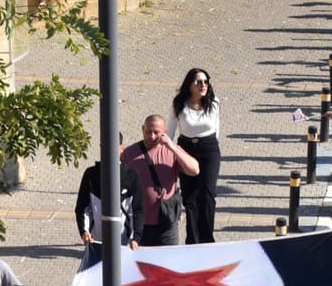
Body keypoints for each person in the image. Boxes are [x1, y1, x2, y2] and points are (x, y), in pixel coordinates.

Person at [122, 115, 201, 246]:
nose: (152, 136)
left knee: (169, 262)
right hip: (138, 224)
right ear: (143, 129)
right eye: (148, 131)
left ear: (165, 132)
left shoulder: (171, 151)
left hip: (167, 222)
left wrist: (173, 148)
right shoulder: (130, 153)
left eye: (156, 132)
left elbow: (195, 170)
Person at [169, 68, 223, 244]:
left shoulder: (214, 102)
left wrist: (214, 147)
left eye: (206, 81)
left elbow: (216, 127)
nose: (203, 85)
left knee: (207, 195)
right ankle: (192, 239)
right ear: (189, 85)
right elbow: (170, 130)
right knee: (190, 197)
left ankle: (207, 239)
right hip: (186, 149)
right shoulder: (179, 104)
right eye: (198, 82)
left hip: (209, 149)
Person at [73, 143, 139, 247]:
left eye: (114, 146)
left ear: (122, 148)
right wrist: (84, 231)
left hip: (125, 243)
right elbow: (82, 207)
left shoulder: (131, 175)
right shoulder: (91, 174)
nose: (110, 150)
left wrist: (135, 238)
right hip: (96, 242)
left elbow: (137, 210)